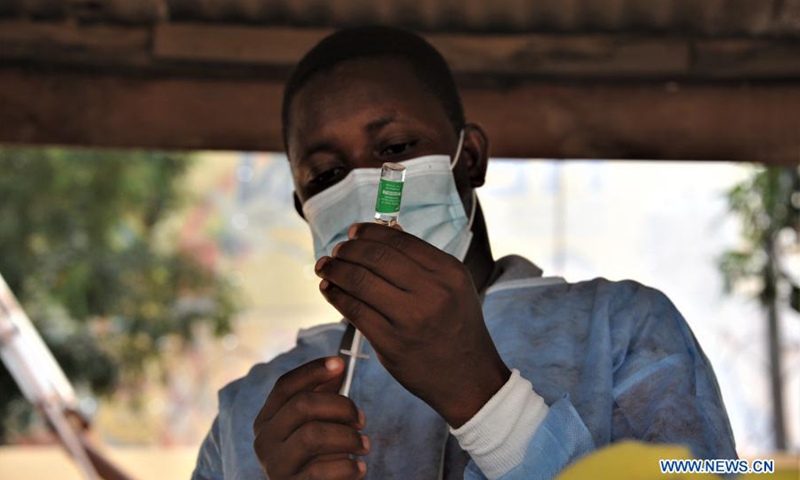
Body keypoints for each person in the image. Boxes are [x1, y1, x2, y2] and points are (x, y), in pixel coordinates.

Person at [191, 26, 737, 480]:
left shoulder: (625, 334)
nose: (366, 183)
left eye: (397, 148)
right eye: (327, 174)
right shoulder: (250, 416)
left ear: (469, 157)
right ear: (304, 206)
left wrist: (487, 402)